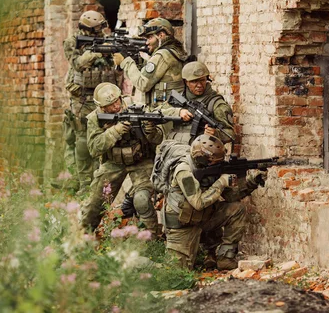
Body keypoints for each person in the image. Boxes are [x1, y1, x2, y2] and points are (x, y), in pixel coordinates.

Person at [161, 135, 266, 270]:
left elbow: (231, 197)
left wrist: (252, 181)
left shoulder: (208, 169)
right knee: (175, 273)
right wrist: (221, 182)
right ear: (202, 159)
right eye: (215, 162)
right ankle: (135, 262)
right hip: (182, 224)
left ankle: (225, 259)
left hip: (202, 218)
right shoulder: (184, 171)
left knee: (237, 209)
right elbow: (198, 202)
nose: (218, 164)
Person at [80, 82, 162, 235]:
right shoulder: (95, 118)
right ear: (102, 108)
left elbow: (157, 139)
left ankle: (152, 239)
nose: (116, 107)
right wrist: (115, 131)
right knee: (94, 204)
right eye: (110, 106)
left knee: (142, 199)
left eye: (117, 101)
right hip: (113, 163)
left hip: (141, 161)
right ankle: (83, 239)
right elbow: (94, 148)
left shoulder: (138, 108)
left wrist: (151, 131)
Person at [64, 10, 120, 191]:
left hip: (105, 98)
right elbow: (77, 64)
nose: (100, 32)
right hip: (82, 99)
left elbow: (115, 66)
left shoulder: (106, 39)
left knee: (104, 136)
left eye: (101, 28)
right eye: (96, 29)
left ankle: (102, 182)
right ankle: (84, 183)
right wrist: (97, 51)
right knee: (82, 138)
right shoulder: (73, 41)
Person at [113, 18, 187, 110]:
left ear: (161, 35)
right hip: (171, 111)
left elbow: (142, 84)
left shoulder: (162, 55)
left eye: (150, 38)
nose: (147, 42)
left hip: (163, 115)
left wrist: (126, 62)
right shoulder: (174, 51)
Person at [162, 61, 235, 145]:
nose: (199, 85)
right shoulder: (179, 98)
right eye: (194, 81)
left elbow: (230, 134)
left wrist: (216, 133)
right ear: (186, 82)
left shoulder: (216, 104)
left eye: (202, 80)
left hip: (199, 152)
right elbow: (156, 112)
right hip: (173, 148)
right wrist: (178, 112)